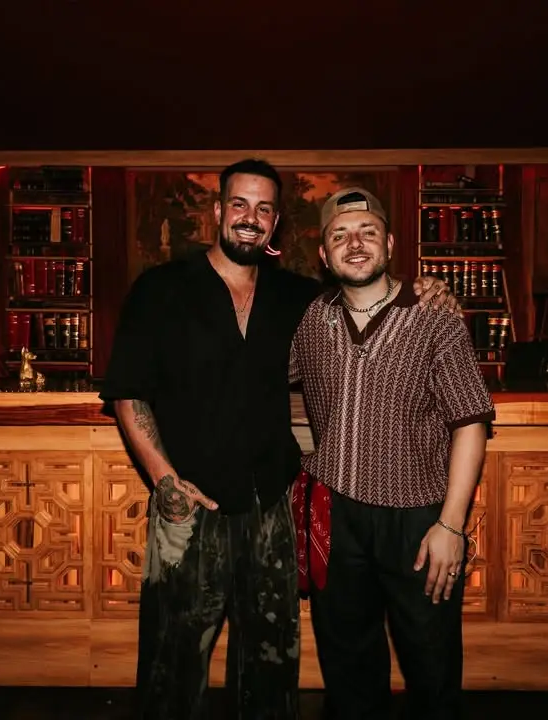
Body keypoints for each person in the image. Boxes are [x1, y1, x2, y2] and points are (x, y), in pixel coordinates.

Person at [98, 159, 455, 719]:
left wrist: (426, 290)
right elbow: (128, 394)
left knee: (270, 670)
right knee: (173, 664)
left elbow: (367, 293)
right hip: (188, 505)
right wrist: (165, 481)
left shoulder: (300, 299)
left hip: (272, 508)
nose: (250, 217)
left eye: (263, 208)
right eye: (240, 204)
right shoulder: (160, 289)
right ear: (219, 211)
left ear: (275, 222)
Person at [289, 187, 495, 719]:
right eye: (340, 235)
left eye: (367, 232)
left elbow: (471, 422)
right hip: (334, 514)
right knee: (348, 669)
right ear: (324, 254)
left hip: (417, 521)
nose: (355, 244)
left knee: (431, 665)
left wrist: (451, 525)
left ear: (390, 243)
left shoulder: (434, 317)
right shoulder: (312, 320)